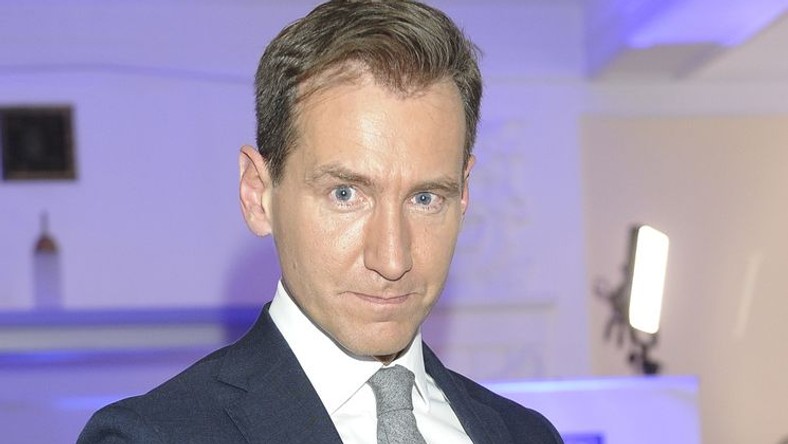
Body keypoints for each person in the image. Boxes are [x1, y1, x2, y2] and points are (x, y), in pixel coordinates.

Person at [78, 1, 563, 443]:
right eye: (345, 194)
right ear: (258, 195)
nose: (392, 259)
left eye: (425, 198)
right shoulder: (150, 436)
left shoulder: (527, 434)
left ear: (464, 195)